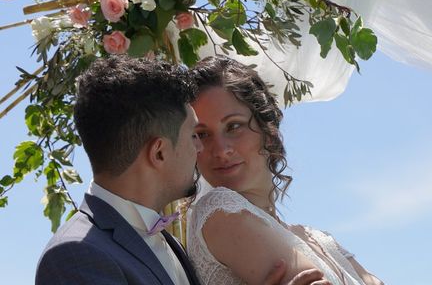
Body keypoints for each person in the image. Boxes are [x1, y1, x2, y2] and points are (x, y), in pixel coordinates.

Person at [35, 55, 329, 285]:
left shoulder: (170, 244)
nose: (202, 150)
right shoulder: (76, 255)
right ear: (159, 152)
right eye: (194, 135)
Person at [188, 56, 384, 285]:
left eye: (234, 126)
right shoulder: (217, 211)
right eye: (202, 134)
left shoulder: (320, 239)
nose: (221, 151)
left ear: (268, 131)